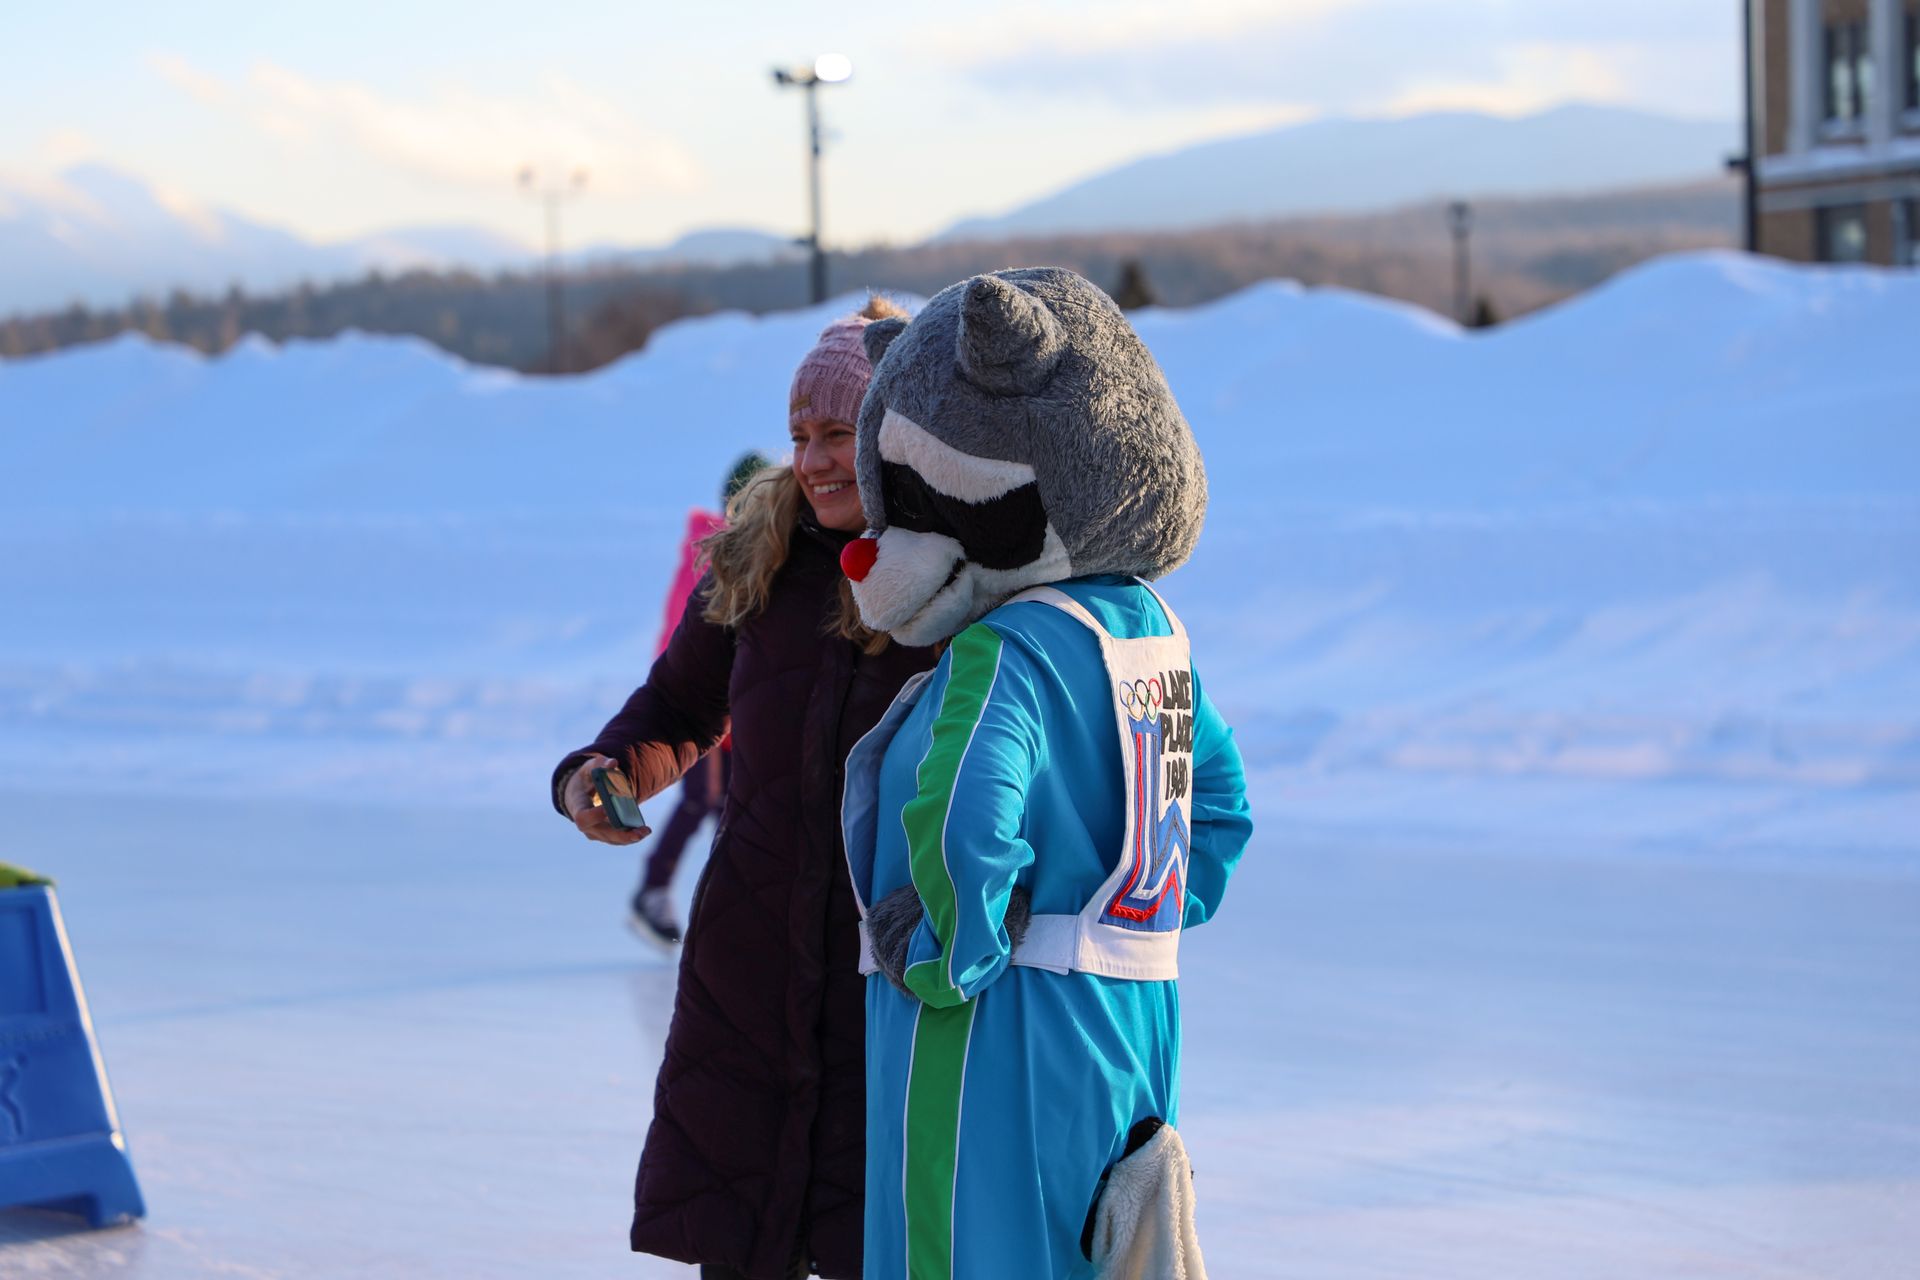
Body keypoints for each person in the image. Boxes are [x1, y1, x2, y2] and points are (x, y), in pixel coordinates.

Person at [837, 269, 1254, 1277]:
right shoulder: (1154, 633)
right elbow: (1222, 808)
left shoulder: (1010, 646)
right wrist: (1130, 916)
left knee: (965, 1250)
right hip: (1127, 1025)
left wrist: (949, 947)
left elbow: (965, 809)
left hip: (992, 1031)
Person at [551, 296, 933, 1280]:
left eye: (838, 434)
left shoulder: (953, 583)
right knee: (746, 1236)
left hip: (885, 970)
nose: (809, 460)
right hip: (752, 962)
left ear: (897, 432)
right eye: (799, 434)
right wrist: (604, 768)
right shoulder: (760, 563)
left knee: (874, 1239)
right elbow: (678, 703)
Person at [628, 450, 772, 948]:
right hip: (698, 701)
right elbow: (689, 635)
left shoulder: (745, 548)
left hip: (729, 705)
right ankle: (652, 891)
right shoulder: (717, 550)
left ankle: (726, 909)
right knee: (702, 800)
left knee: (730, 811)